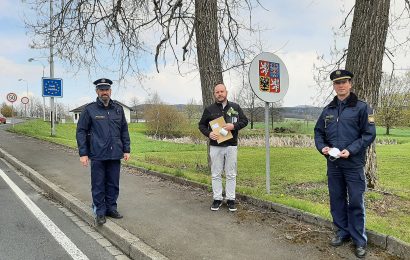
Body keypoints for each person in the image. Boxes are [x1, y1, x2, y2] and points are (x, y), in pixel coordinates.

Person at [314, 69, 376, 258]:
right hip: (333, 164)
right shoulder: (328, 110)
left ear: (350, 84)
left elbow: (369, 134)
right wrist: (322, 147)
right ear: (334, 86)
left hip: (353, 164)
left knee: (356, 202)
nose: (341, 85)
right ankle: (342, 232)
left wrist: (352, 150)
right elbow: (318, 133)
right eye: (337, 83)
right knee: (337, 199)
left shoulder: (363, 108)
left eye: (344, 82)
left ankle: (359, 240)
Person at [76, 78, 131, 225]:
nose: (104, 92)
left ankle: (111, 208)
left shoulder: (118, 109)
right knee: (98, 184)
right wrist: (83, 153)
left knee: (113, 183)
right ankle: (100, 211)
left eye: (107, 90)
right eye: (101, 90)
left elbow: (124, 130)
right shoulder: (90, 109)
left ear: (110, 91)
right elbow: (81, 131)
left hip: (115, 153)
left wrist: (126, 149)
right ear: (97, 92)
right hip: (97, 153)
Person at [198, 83, 248, 212]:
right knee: (216, 173)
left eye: (222, 91)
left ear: (226, 92)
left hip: (231, 145)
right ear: (214, 94)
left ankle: (231, 199)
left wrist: (234, 126)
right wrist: (209, 133)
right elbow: (201, 125)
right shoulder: (209, 109)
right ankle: (217, 199)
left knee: (231, 174)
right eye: (217, 92)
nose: (220, 94)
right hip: (216, 146)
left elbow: (245, 121)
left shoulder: (235, 107)